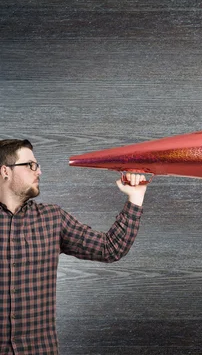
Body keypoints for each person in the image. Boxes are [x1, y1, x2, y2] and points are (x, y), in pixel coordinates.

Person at [0, 139, 148, 354]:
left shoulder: (52, 218)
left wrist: (136, 197)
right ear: (5, 171)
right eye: (31, 165)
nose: (39, 171)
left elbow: (110, 248)